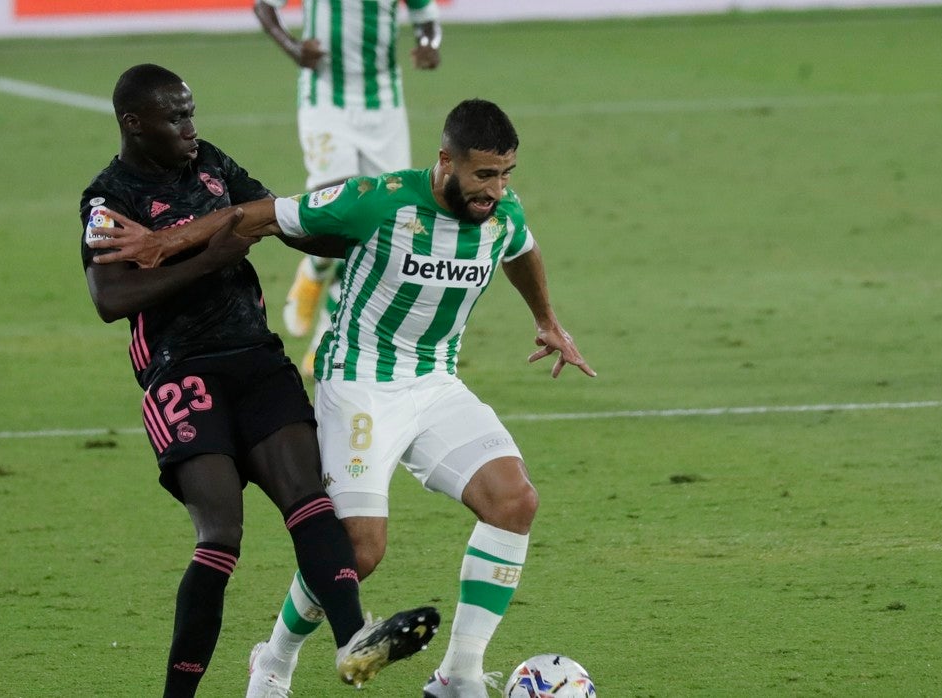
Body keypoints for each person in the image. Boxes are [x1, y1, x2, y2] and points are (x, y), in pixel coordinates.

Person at [90, 98, 596, 698]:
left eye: (506, 174)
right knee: (358, 549)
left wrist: (547, 320)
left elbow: (522, 250)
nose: (496, 189)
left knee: (514, 502)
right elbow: (260, 214)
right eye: (484, 174)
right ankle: (273, 660)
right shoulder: (378, 199)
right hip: (358, 383)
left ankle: (458, 675)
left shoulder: (502, 213)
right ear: (446, 161)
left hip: (435, 382)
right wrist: (163, 243)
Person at [78, 63, 439, 698]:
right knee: (221, 537)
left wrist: (365, 233)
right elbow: (111, 298)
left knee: (310, 501)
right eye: (176, 117)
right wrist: (210, 256)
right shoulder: (109, 199)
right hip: (181, 372)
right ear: (134, 124)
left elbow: (277, 219)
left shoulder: (211, 164)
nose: (191, 128)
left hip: (256, 359)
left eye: (191, 113)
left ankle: (354, 641)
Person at [253, 0, 442, 376]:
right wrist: (293, 48)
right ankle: (315, 269)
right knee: (332, 205)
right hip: (324, 100)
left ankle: (327, 333)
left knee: (382, 220)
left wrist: (429, 45)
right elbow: (264, 7)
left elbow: (427, 21)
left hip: (384, 106)